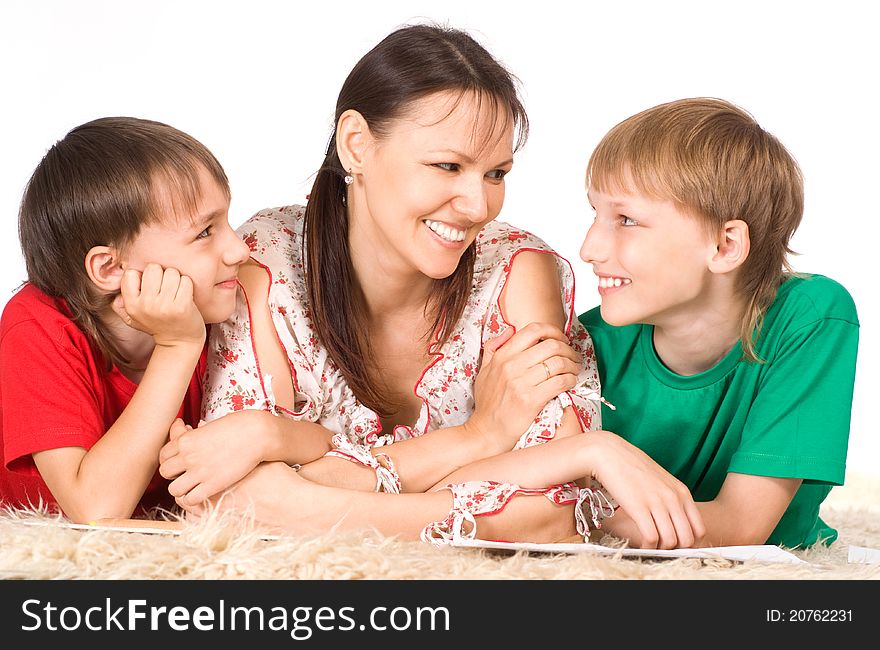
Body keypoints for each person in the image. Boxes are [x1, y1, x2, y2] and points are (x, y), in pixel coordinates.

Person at [159, 24, 703, 548]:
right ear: (356, 145)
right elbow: (229, 496)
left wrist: (306, 499)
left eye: (496, 173)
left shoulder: (516, 270)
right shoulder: (264, 262)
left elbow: (552, 513)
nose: (477, 205)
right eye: (447, 166)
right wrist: (480, 439)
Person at [578, 97, 859, 548]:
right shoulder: (587, 344)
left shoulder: (810, 315)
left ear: (725, 245)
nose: (589, 248)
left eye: (625, 219)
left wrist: (554, 522)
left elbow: (741, 527)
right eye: (595, 214)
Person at [0, 117, 251, 523]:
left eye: (227, 221)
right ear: (110, 268)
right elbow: (97, 512)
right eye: (205, 232)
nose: (238, 249)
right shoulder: (36, 326)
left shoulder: (227, 308)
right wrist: (177, 347)